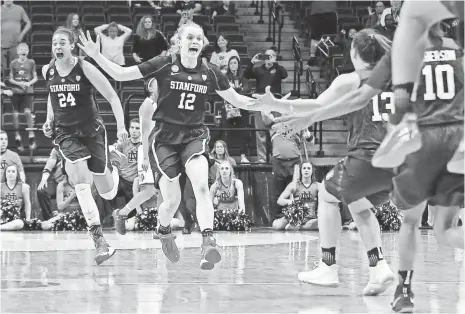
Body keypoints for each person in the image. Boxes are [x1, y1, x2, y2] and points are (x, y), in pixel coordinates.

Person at [77, 21, 255, 269]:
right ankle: (163, 230)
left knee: (202, 187)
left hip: (194, 136)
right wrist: (97, 56)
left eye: (198, 38)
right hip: (165, 140)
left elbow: (239, 100)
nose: (194, 41)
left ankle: (208, 242)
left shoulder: (211, 71)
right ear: (179, 42)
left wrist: (274, 104)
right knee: (171, 202)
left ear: (202, 44)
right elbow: (121, 74)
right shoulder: (164, 64)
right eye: (189, 37)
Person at [249, 29, 396, 295]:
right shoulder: (395, 77)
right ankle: (379, 267)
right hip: (396, 164)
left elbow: (314, 104)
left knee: (327, 196)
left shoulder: (352, 79)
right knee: (359, 205)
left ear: (354, 54)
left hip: (367, 156)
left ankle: (328, 265)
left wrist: (276, 104)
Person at [42, 27, 128, 265]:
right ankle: (99, 240)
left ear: (72, 46)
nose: (57, 47)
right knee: (80, 180)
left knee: (106, 191)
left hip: (92, 131)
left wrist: (121, 127)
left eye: (62, 43)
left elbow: (112, 97)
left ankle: (115, 168)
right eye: (54, 43)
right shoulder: (47, 70)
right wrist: (49, 120)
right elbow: (51, 96)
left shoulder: (85, 67)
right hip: (66, 134)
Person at [8, 42, 38, 151]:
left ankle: (31, 135)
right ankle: (17, 136)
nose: (23, 51)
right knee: (15, 114)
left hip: (27, 91)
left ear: (28, 51)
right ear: (17, 51)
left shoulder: (31, 62)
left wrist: (29, 83)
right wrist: (19, 83)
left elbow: (35, 77)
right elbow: (10, 79)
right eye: (21, 49)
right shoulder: (13, 63)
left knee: (27, 112)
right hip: (16, 91)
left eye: (25, 49)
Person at [277, 161, 319, 230]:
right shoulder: (293, 185)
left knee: (320, 223)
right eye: (304, 168)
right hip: (296, 215)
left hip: (310, 218)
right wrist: (290, 202)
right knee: (276, 225)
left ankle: (296, 226)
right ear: (301, 171)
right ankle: (295, 223)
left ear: (312, 171)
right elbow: (279, 201)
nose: (306, 170)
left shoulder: (318, 186)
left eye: (308, 168)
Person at [1, 0, 31, 70]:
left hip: (15, 45)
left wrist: (22, 34)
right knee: (2, 71)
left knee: (15, 69)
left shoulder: (19, 9)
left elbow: (28, 23)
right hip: (1, 46)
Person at [0, 164, 31, 231]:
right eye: (8, 171)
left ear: (17, 174)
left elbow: (27, 203)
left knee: (20, 223)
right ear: (5, 173)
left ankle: (1, 228)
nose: (11, 173)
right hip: (1, 216)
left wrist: (28, 217)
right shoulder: (0, 186)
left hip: (15, 219)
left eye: (13, 171)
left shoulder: (24, 187)